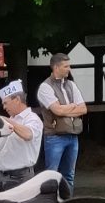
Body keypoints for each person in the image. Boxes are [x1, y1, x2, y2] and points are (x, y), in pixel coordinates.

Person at [34, 53, 87, 189]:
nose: (69, 69)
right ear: (56, 67)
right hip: (54, 136)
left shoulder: (71, 85)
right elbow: (57, 111)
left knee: (69, 175)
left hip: (72, 135)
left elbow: (83, 109)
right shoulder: (45, 87)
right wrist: (72, 106)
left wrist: (64, 109)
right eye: (66, 66)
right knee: (51, 175)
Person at [0, 80, 44, 188]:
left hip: (20, 178)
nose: (4, 107)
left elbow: (28, 134)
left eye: (5, 103)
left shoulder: (32, 119)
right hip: (2, 176)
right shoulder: (9, 120)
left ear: (17, 99)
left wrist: (6, 121)